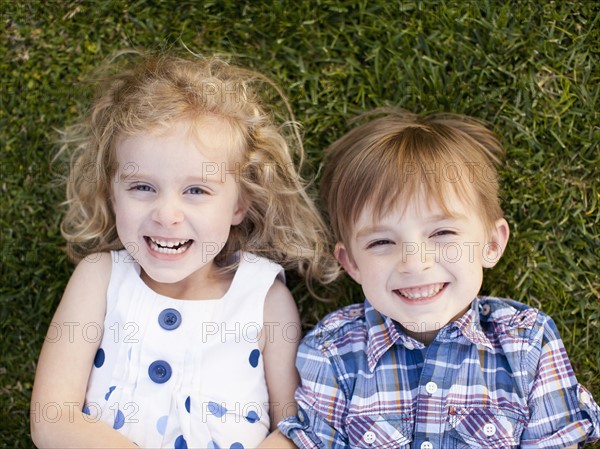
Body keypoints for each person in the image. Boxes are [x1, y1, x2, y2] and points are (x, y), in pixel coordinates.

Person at [30, 51, 337, 449]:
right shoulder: (100, 278)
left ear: (239, 204)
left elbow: (296, 431)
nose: (167, 215)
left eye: (196, 190)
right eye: (143, 187)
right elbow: (53, 418)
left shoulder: (263, 297)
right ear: (112, 192)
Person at [279, 109, 600, 448]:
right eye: (382, 242)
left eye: (442, 232)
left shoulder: (528, 342)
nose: (415, 263)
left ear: (490, 244)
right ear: (351, 263)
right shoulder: (332, 352)